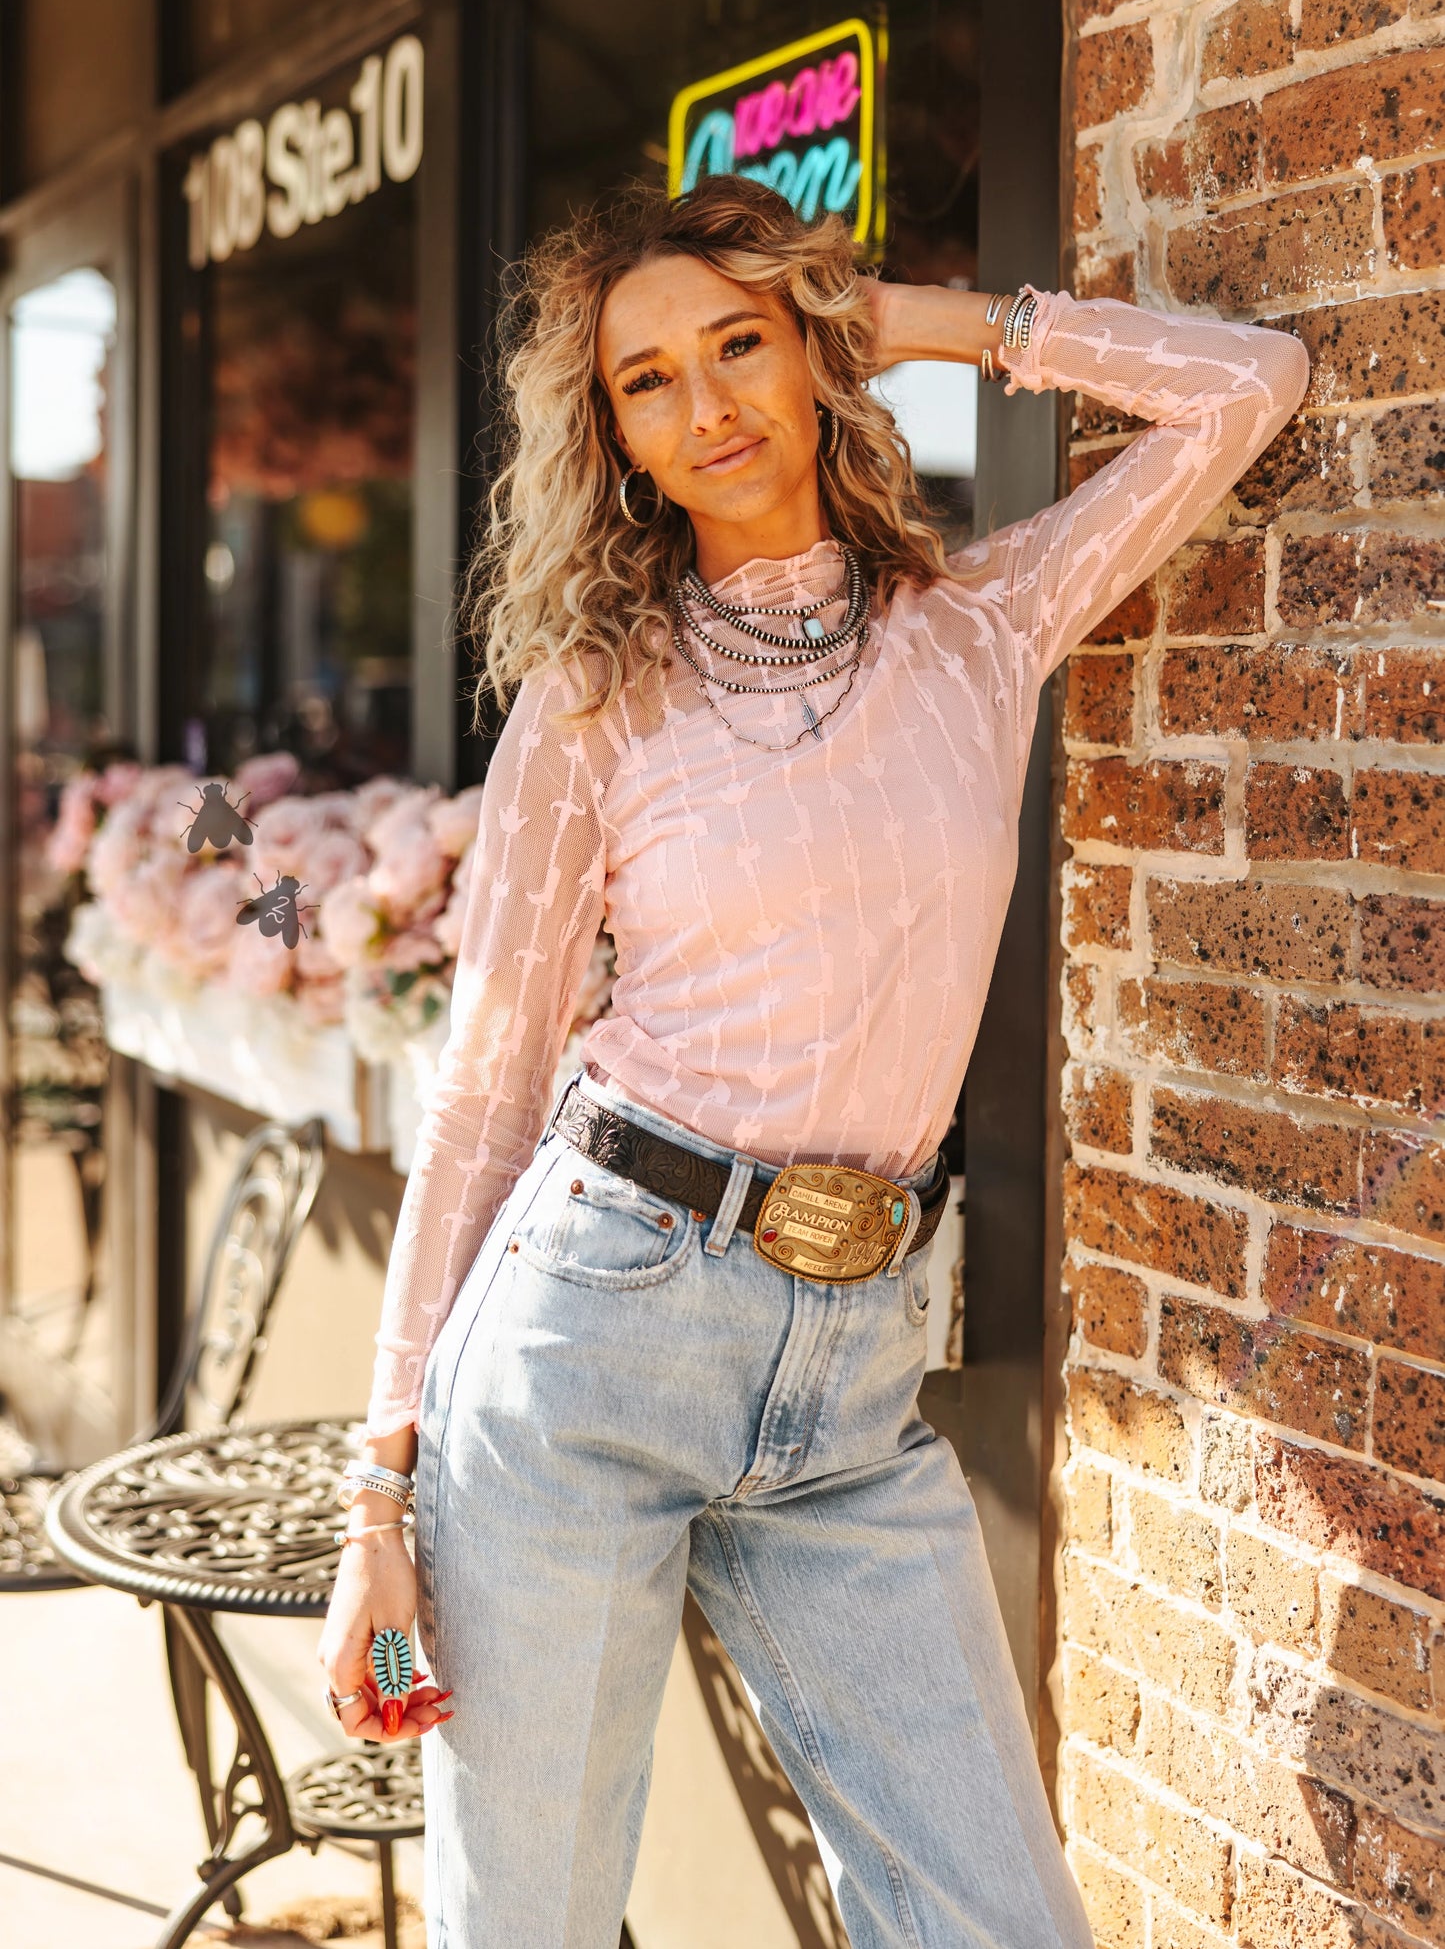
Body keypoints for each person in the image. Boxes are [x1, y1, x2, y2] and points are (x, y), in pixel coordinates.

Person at [319, 174, 1310, 1947]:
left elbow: (1249, 385)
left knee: (999, 1919)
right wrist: (376, 1498)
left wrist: (921, 319)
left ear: (810, 355)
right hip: (588, 1349)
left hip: (855, 1380)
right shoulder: (591, 696)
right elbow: (481, 1092)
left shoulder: (980, 627)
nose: (705, 408)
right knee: (527, 1924)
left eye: (740, 344)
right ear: (608, 435)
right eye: (646, 382)